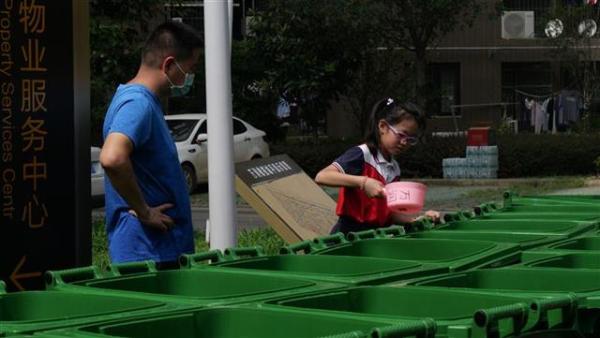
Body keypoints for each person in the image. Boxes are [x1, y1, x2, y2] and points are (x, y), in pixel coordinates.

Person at [99, 21, 202, 265]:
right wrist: (144, 211)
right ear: (169, 64)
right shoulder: (138, 104)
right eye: (190, 68)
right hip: (148, 253)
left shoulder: (138, 100)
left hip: (156, 250)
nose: (190, 77)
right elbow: (112, 158)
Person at [315, 98, 441, 235]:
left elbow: (390, 213)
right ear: (383, 126)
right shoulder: (362, 154)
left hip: (374, 235)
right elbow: (322, 176)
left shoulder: (394, 168)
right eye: (401, 135)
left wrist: (418, 219)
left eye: (411, 139)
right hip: (348, 234)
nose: (404, 142)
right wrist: (363, 182)